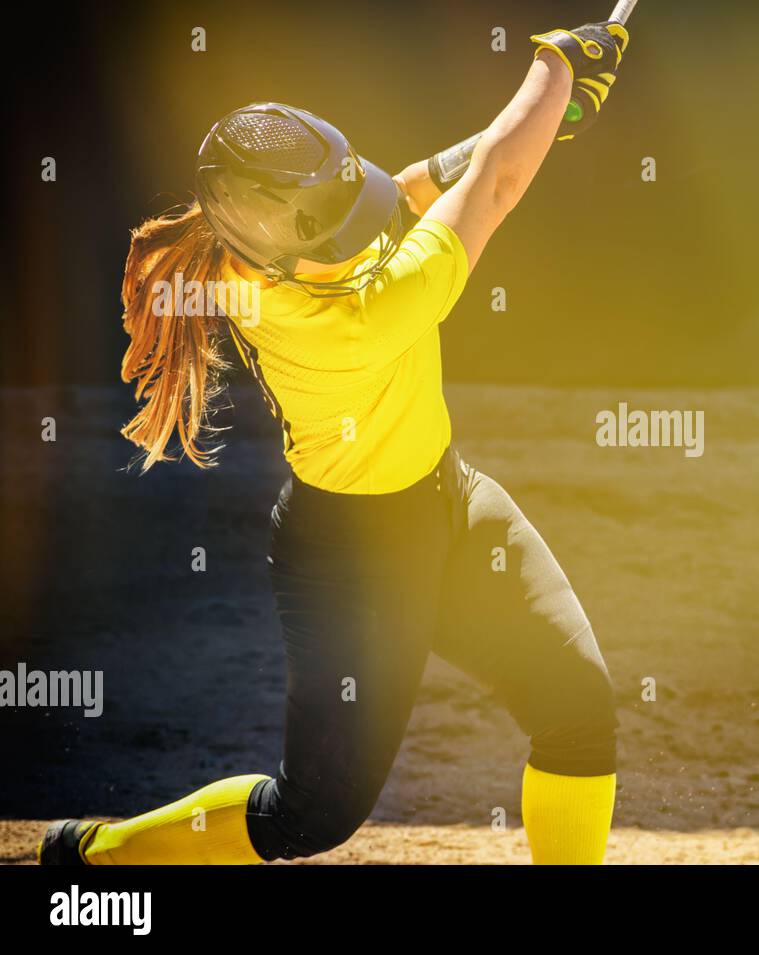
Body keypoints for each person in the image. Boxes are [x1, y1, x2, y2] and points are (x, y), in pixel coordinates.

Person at [39, 19, 630, 866]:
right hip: (350, 560)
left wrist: (545, 117)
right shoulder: (357, 316)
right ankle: (92, 850)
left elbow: (412, 188)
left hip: (448, 503)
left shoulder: (259, 252)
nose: (363, 231)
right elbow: (495, 182)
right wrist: (557, 66)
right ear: (284, 245)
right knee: (309, 814)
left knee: (577, 708)